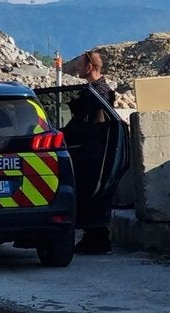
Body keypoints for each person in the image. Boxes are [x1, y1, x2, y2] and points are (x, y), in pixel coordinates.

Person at [71, 49, 115, 254]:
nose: (77, 68)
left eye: (80, 65)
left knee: (93, 192)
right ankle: (93, 236)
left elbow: (98, 121)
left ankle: (97, 238)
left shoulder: (99, 92)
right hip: (91, 150)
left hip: (95, 152)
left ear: (89, 67)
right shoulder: (95, 90)